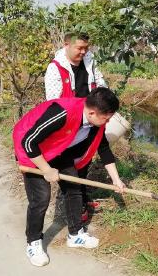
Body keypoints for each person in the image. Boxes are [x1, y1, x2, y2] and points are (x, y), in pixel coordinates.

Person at [13, 87, 126, 267]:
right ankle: (33, 242)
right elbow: (28, 141)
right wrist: (46, 169)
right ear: (92, 112)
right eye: (107, 117)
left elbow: (103, 149)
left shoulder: (96, 122)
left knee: (74, 189)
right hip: (33, 151)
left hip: (58, 149)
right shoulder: (61, 112)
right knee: (41, 198)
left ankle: (75, 235)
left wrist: (116, 180)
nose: (109, 121)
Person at [45, 32, 107, 221]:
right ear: (66, 45)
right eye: (79, 48)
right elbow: (53, 102)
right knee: (69, 164)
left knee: (85, 160)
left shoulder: (90, 63)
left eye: (86, 48)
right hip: (69, 126)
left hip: (90, 121)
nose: (83, 52)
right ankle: (76, 203)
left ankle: (81, 195)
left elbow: (102, 85)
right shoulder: (55, 69)